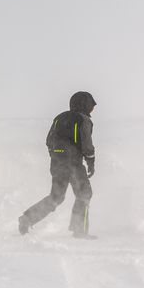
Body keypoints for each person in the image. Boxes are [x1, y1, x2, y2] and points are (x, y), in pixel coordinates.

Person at [18, 91, 97, 239]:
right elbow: (87, 145)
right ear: (85, 105)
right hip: (73, 164)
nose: (93, 109)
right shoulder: (83, 119)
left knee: (56, 196)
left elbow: (49, 140)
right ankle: (79, 231)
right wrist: (91, 162)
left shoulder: (59, 118)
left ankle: (27, 219)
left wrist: (56, 156)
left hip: (57, 163)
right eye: (91, 105)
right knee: (85, 194)